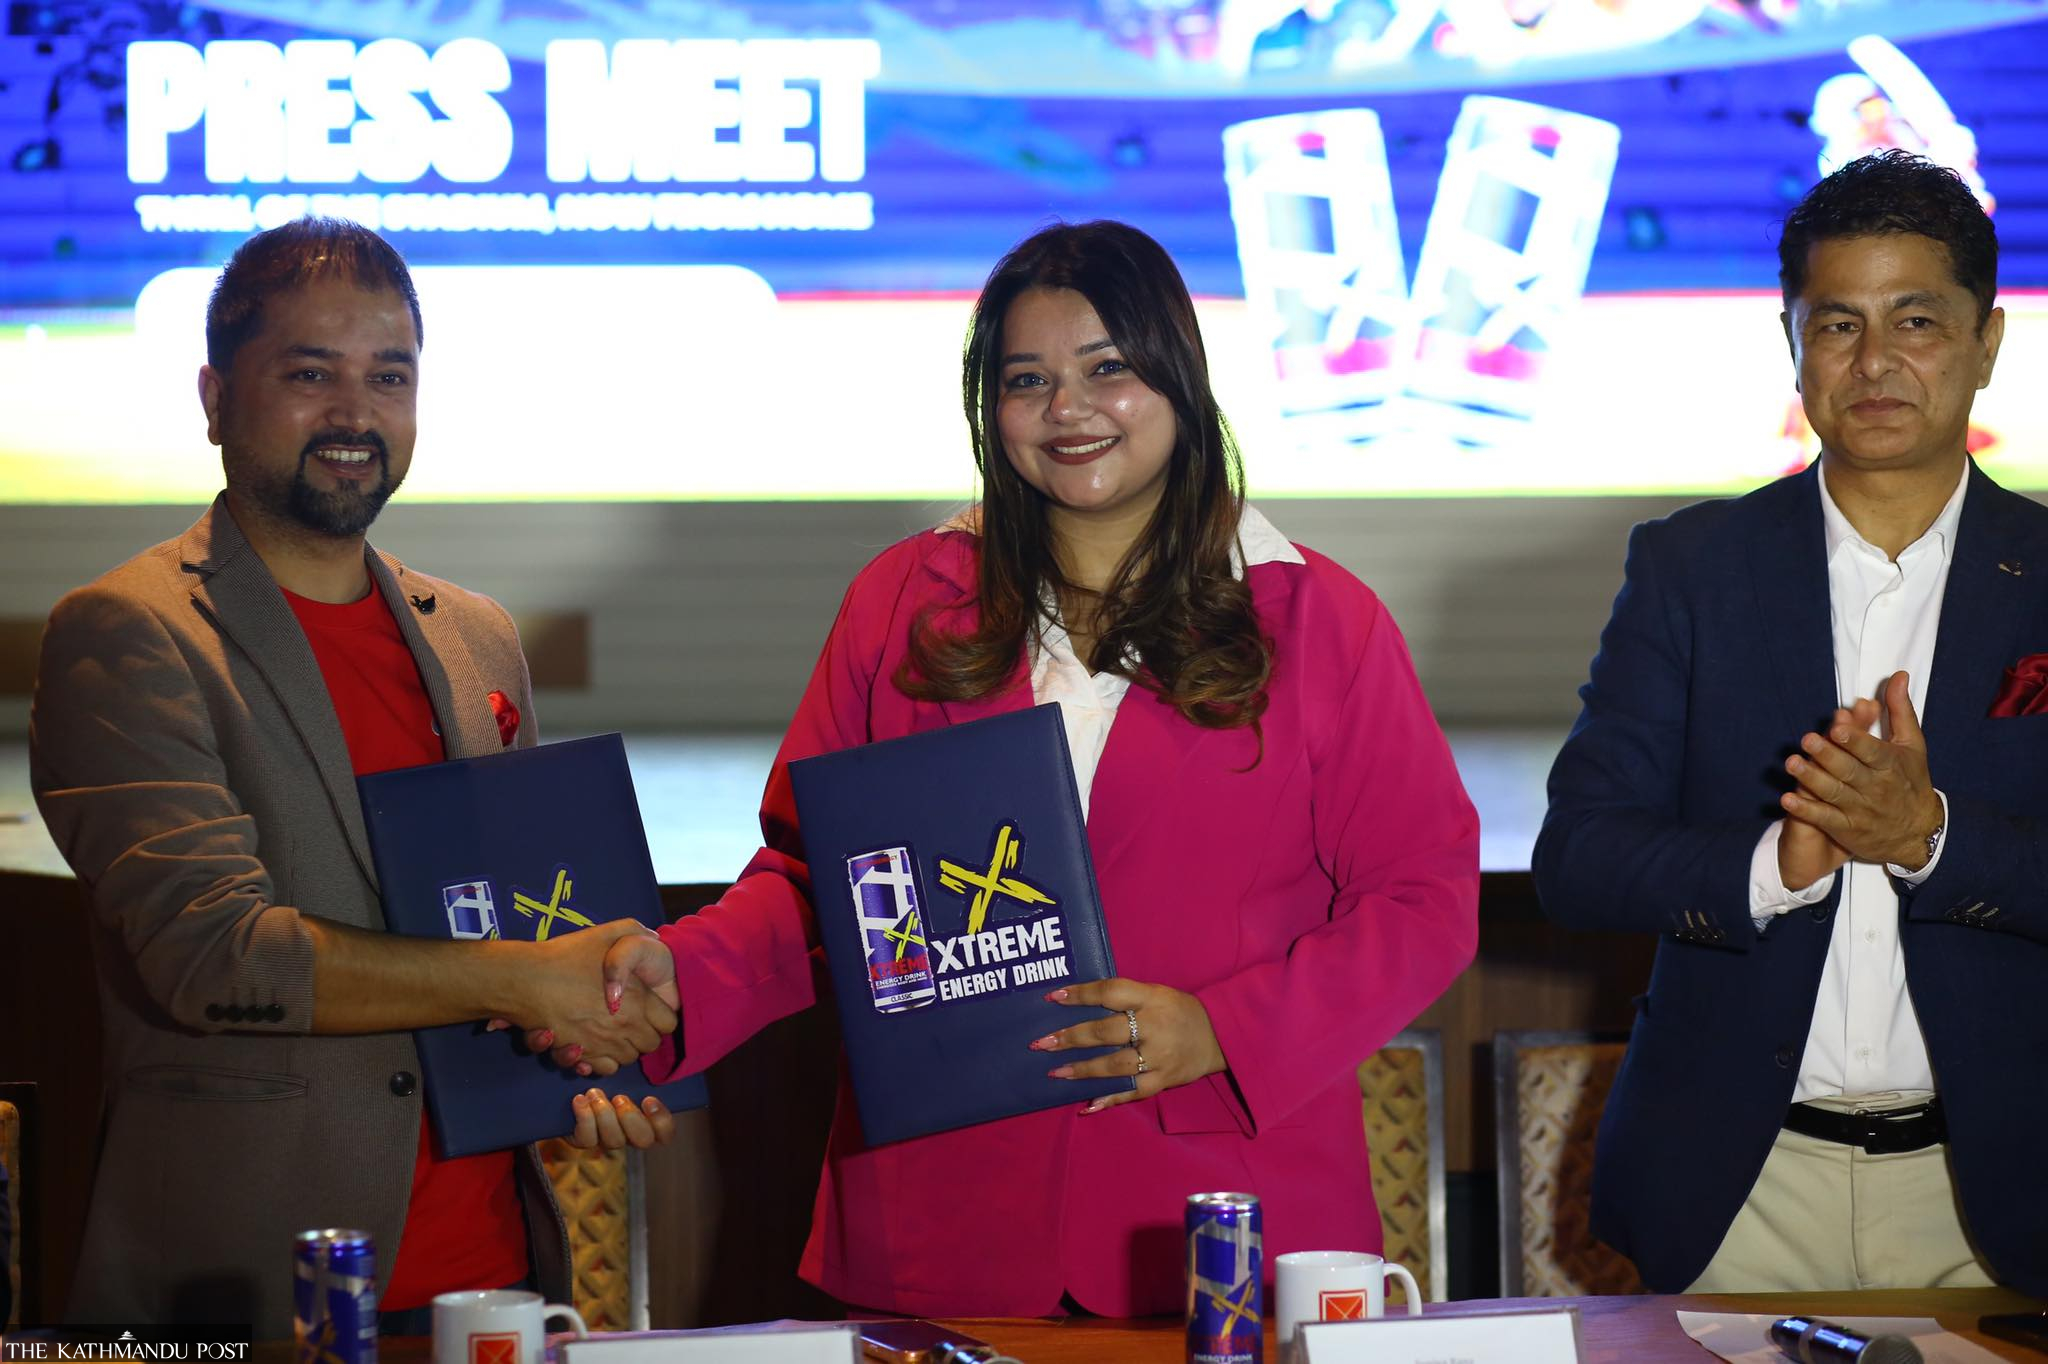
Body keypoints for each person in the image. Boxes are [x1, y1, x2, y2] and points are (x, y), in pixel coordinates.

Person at [585, 220, 1479, 1314]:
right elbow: (821, 884)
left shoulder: (1321, 619)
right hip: (943, 1214)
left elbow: (1424, 900)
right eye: (1027, 379)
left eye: (1107, 367)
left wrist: (1220, 1031)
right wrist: (679, 976)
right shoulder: (902, 601)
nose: (1068, 408)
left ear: (1180, 377)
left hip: (1217, 1214)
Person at [30, 218, 677, 1333]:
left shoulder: (477, 638)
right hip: (252, 1295)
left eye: (388, 376)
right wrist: (531, 981)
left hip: (490, 1289)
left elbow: (521, 920)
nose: (354, 413)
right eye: (309, 373)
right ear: (214, 399)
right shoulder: (128, 633)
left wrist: (589, 1057)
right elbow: (213, 956)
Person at [1535, 150, 2047, 1296]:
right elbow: (1577, 856)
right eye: (1836, 325)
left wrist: (1929, 837)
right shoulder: (1689, 567)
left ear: (1984, 343)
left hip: (1998, 1196)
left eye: (1915, 320)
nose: (1873, 361)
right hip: (1740, 1192)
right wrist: (1772, 863)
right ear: (1791, 344)